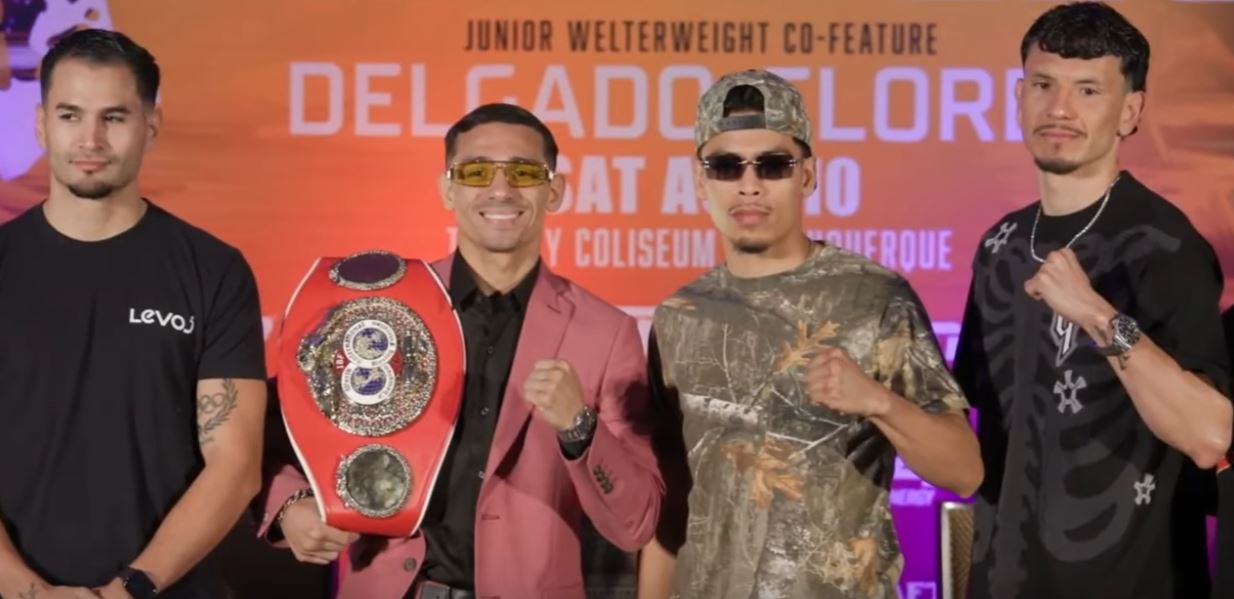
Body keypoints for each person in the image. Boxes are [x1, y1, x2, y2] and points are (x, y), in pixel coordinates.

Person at [257, 103, 664, 599]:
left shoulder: (606, 332)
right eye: (476, 171)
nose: (500, 189)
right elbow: (278, 433)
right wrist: (291, 504)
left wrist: (579, 427)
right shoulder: (380, 310)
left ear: (553, 191)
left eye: (523, 172)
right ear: (448, 188)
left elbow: (636, 522)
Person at [637, 69, 983, 599]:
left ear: (808, 175)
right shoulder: (680, 315)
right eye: (726, 166)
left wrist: (877, 402)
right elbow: (671, 504)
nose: (749, 184)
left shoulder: (874, 297)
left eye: (773, 164)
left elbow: (964, 471)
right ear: (700, 179)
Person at [952, 3, 1233, 598]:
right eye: (1043, 85)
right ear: (1019, 97)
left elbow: (1209, 435)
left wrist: (1096, 314)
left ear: (1130, 112)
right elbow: (978, 427)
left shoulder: (1165, 245)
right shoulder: (1000, 244)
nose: (1059, 109)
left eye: (1087, 90)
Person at [0, 29, 268, 599]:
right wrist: (26, 590)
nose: (90, 139)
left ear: (151, 125)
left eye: (115, 117)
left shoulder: (213, 269)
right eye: (71, 115)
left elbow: (235, 464)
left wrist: (126, 592)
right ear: (42, 123)